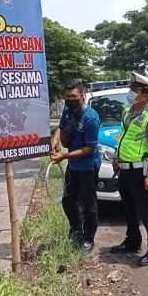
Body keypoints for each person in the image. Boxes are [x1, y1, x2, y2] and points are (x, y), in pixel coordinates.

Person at [110, 72, 148, 266]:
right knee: (128, 209)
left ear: (145, 94)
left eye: (135, 90)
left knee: (147, 212)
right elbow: (123, 137)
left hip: (140, 172)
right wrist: (117, 158)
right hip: (125, 170)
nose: (130, 93)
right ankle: (132, 241)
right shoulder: (128, 111)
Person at [51, 81, 101, 252]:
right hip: (73, 166)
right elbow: (61, 127)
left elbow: (89, 148)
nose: (70, 100)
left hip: (88, 166)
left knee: (88, 204)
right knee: (68, 201)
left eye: (74, 97)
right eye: (67, 97)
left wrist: (64, 155)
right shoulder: (67, 110)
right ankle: (76, 231)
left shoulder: (91, 117)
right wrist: (55, 140)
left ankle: (88, 238)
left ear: (82, 96)